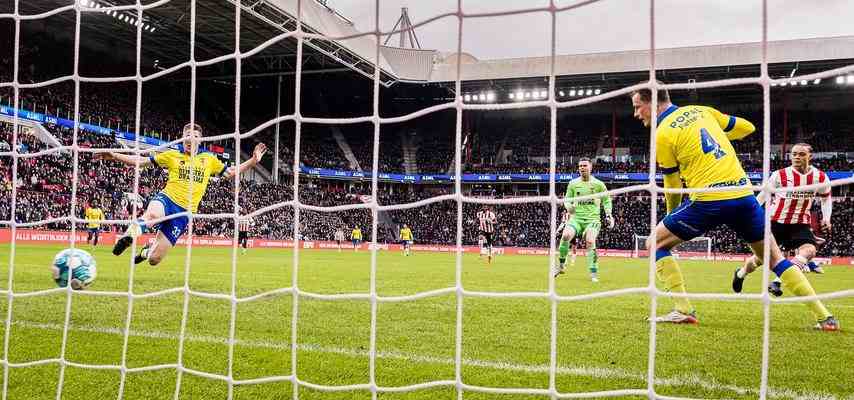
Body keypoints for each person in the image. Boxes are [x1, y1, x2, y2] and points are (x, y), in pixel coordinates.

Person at [630, 84, 837, 330]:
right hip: (744, 197)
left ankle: (682, 309)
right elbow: (747, 128)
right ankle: (825, 317)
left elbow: (672, 183)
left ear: (652, 102)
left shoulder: (663, 133)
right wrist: (716, 134)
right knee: (774, 259)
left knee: (655, 243)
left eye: (637, 106)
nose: (636, 114)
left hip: (709, 199)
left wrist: (669, 216)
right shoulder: (702, 111)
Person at [96, 123, 267, 266]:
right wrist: (115, 155)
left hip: (184, 213)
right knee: (152, 214)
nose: (189, 139)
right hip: (167, 200)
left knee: (154, 260)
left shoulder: (209, 159)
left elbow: (230, 172)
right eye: (186, 135)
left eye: (193, 136)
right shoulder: (172, 155)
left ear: (200, 140)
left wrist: (253, 161)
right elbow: (142, 162)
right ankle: (129, 236)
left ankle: (146, 251)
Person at [732, 143, 832, 296]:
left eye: (801, 154)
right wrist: (750, 213)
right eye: (794, 154)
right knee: (758, 261)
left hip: (800, 224)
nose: (797, 157)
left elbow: (826, 198)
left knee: (809, 250)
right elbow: (764, 195)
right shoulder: (780, 175)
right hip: (775, 223)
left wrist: (826, 218)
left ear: (810, 156)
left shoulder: (820, 177)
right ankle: (741, 273)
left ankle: (777, 281)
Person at [554, 158, 614, 281]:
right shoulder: (573, 183)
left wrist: (609, 215)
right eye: (580, 166)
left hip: (592, 220)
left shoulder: (598, 184)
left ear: (590, 167)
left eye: (585, 165)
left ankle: (593, 273)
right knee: (565, 236)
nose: (582, 168)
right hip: (576, 219)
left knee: (590, 241)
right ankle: (561, 266)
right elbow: (567, 199)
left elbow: (607, 200)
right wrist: (568, 206)